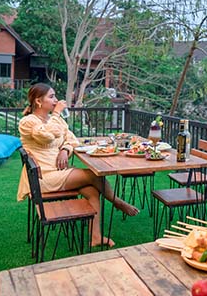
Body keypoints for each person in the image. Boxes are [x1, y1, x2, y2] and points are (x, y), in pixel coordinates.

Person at [17, 83, 138, 248]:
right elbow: (46, 136)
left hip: (58, 172)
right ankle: (117, 201)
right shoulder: (28, 122)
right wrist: (57, 113)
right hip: (43, 178)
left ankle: (95, 237)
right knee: (93, 175)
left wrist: (65, 150)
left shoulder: (54, 120)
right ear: (38, 101)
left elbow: (72, 139)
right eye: (51, 97)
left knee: (93, 192)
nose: (56, 100)